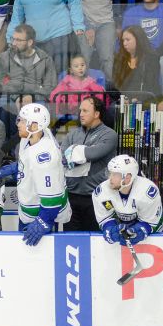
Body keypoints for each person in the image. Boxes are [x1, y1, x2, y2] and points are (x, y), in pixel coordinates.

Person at [0, 103, 72, 245]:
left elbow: (52, 196)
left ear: (34, 126)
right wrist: (15, 168)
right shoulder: (30, 137)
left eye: (22, 121)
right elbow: (29, 161)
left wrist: (44, 221)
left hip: (42, 217)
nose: (18, 124)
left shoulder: (45, 155)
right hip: (28, 213)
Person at [7, 0, 85, 75]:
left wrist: (78, 24)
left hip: (60, 38)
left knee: (57, 77)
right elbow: (18, 11)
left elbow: (74, 1)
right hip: (35, 41)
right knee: (38, 78)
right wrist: (11, 35)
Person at [60, 96, 117, 231]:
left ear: (97, 114)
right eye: (80, 111)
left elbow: (92, 154)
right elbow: (62, 157)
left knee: (96, 244)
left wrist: (75, 152)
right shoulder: (72, 134)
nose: (81, 114)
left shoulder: (109, 134)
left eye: (85, 111)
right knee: (71, 242)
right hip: (71, 196)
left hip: (96, 197)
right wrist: (80, 154)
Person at [94, 154, 163, 245]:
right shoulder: (102, 192)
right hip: (122, 230)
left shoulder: (147, 192)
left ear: (128, 177)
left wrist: (140, 231)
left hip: (154, 235)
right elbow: (105, 218)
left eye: (115, 174)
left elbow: (152, 223)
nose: (110, 178)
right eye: (110, 173)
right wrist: (111, 230)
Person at [70, 0, 122, 75]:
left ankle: (108, 91)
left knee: (108, 60)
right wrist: (87, 26)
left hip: (107, 22)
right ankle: (83, 92)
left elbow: (117, 3)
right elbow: (74, 4)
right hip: (84, 22)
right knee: (83, 61)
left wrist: (118, 26)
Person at [0, 24, 57, 107]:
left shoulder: (45, 59)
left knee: (41, 106)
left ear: (30, 42)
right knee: (3, 104)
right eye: (13, 39)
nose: (14, 43)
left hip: (37, 98)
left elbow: (50, 86)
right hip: (10, 96)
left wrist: (32, 97)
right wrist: (16, 96)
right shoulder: (4, 57)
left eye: (18, 40)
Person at [110, 25, 161, 99]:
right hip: (123, 100)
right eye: (123, 40)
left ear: (138, 39)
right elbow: (115, 86)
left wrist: (137, 99)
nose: (124, 43)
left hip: (145, 100)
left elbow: (151, 85)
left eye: (128, 40)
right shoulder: (119, 59)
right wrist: (122, 99)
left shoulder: (151, 59)